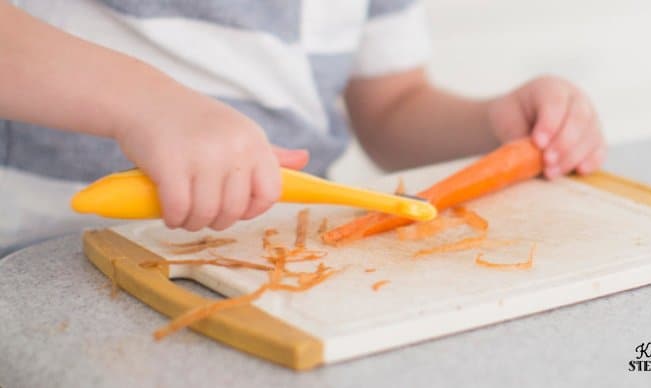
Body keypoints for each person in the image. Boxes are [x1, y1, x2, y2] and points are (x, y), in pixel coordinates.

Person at [0, 0, 604, 253]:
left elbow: (393, 108)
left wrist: (491, 123)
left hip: (285, 259)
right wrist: (144, 101)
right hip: (42, 260)